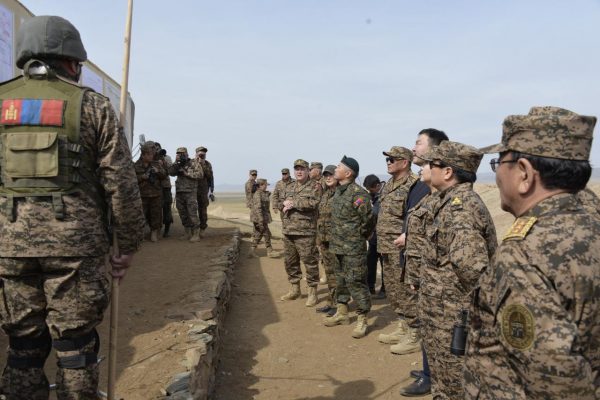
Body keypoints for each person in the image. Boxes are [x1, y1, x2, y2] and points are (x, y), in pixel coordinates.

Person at [0, 15, 145, 399]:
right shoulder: (94, 107)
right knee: (75, 345)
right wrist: (128, 245)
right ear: (71, 61)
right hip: (76, 249)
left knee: (23, 344)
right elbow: (121, 184)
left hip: (10, 247)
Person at [464, 106, 600, 399]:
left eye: (500, 161)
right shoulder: (590, 225)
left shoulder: (523, 254)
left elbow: (557, 381)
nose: (497, 174)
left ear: (524, 173)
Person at [420, 141, 497, 399]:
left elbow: (473, 269)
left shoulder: (460, 207)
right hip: (443, 316)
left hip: (454, 318)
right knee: (444, 381)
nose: (428, 168)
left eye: (433, 164)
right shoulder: (448, 202)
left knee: (455, 385)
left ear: (448, 172)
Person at [398, 128, 448, 397]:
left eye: (418, 142)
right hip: (425, 277)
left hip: (441, 287)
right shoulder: (425, 188)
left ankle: (435, 376)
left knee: (440, 332)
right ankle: (429, 371)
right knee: (429, 329)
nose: (413, 147)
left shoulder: (448, 197)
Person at [323, 157, 375, 338]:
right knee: (340, 281)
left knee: (356, 282)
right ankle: (342, 313)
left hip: (353, 248)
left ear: (348, 173)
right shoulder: (338, 192)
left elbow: (368, 220)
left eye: (338, 167)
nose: (335, 169)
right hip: (337, 246)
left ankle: (362, 319)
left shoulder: (358, 194)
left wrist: (359, 236)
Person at [376, 146, 421, 352]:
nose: (388, 162)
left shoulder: (414, 185)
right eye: (387, 159)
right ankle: (403, 326)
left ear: (405, 162)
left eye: (392, 159)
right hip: (386, 246)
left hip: (402, 248)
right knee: (393, 289)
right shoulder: (388, 185)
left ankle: (415, 334)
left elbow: (415, 218)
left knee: (406, 290)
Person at [280, 159, 321, 307]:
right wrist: (283, 204)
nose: (299, 172)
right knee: (290, 262)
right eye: (296, 169)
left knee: (310, 262)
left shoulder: (315, 186)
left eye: (302, 169)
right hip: (288, 230)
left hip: (305, 232)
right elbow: (281, 201)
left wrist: (293, 204)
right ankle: (295, 289)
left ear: (308, 170)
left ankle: (312, 292)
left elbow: (314, 203)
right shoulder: (289, 186)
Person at [315, 165, 339, 315]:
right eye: (325, 175)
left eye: (330, 175)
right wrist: (318, 239)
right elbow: (320, 218)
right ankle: (331, 302)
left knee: (337, 274)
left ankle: (338, 305)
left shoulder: (341, 194)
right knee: (329, 273)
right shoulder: (325, 195)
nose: (328, 177)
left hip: (336, 241)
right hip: (324, 241)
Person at [168, 147, 204, 242]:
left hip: (190, 192)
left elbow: (200, 174)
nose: (180, 155)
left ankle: (196, 234)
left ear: (187, 154)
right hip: (180, 192)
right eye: (178, 154)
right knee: (182, 213)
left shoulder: (193, 163)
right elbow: (170, 172)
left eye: (182, 153)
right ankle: (187, 232)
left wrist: (187, 173)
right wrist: (176, 162)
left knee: (192, 213)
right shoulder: (178, 164)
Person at [135, 142, 167, 242]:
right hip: (142, 195)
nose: (151, 156)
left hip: (156, 194)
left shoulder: (156, 164)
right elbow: (131, 179)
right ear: (143, 155)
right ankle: (140, 234)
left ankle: (154, 233)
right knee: (141, 215)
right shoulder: (136, 165)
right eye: (149, 154)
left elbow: (164, 175)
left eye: (152, 154)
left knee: (156, 215)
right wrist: (142, 177)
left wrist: (158, 171)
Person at [362, 174, 384, 297]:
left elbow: (375, 212)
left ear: (377, 186)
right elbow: (360, 202)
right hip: (373, 237)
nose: (369, 191)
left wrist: (369, 207)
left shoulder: (384, 195)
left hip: (384, 237)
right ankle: (370, 286)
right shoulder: (372, 195)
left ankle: (384, 289)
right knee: (370, 261)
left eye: (370, 189)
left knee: (385, 264)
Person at [249, 178, 278, 258]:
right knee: (266, 233)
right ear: (261, 185)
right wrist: (260, 220)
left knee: (259, 234)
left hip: (261, 218)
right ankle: (270, 251)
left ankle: (252, 251)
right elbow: (258, 208)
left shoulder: (262, 193)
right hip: (259, 218)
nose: (266, 186)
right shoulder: (258, 194)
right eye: (265, 185)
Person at [154, 142, 174, 237]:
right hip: (154, 187)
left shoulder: (167, 158)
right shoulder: (151, 158)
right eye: (155, 149)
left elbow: (171, 171)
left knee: (167, 209)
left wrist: (163, 163)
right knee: (155, 209)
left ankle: (166, 230)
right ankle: (156, 230)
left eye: (158, 148)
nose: (157, 150)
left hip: (165, 187)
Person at [195, 146, 214, 235]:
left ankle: (202, 228)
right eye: (200, 153)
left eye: (204, 153)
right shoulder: (191, 162)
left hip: (203, 190)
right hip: (192, 190)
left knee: (202, 210)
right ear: (196, 154)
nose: (202, 155)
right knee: (191, 210)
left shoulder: (207, 164)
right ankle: (192, 229)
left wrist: (202, 164)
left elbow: (210, 177)